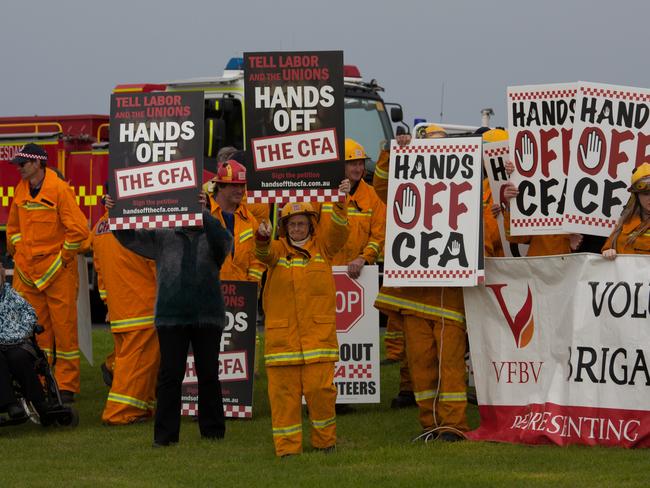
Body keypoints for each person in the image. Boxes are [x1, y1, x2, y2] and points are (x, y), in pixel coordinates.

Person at [106, 193, 232, 447]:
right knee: (169, 376)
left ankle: (214, 432)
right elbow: (129, 238)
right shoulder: (163, 232)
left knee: (208, 374)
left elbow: (225, 245)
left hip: (207, 315)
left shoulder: (213, 231)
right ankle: (164, 437)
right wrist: (115, 212)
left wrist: (204, 213)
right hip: (171, 316)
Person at [375, 125, 470, 441]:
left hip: (450, 297)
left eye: (441, 147)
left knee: (451, 366)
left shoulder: (464, 186)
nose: (436, 152)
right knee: (422, 367)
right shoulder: (405, 186)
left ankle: (453, 426)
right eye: (430, 146)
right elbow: (381, 188)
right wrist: (393, 152)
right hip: (415, 295)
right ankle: (430, 424)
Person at [254, 179, 350, 457]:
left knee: (321, 393)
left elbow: (340, 233)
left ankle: (325, 443)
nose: (297, 229)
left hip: (318, 341)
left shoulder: (324, 249)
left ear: (311, 225)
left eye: (302, 224)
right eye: (292, 224)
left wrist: (341, 204)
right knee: (283, 399)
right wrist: (262, 236)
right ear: (285, 227)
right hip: (283, 343)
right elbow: (262, 252)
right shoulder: (277, 251)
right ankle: (287, 449)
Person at [6, 143, 89, 403]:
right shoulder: (21, 190)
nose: (18, 168)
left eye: (23, 164)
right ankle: (39, 383)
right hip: (29, 275)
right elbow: (13, 231)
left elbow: (79, 232)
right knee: (33, 332)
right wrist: (20, 254)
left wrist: (62, 260)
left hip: (58, 274)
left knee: (65, 332)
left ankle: (66, 386)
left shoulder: (59, 190)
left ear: (38, 163)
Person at [92, 198, 159, 425]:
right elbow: (156, 266)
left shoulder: (100, 227)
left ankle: (141, 408)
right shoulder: (139, 226)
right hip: (143, 307)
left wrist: (109, 304)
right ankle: (118, 413)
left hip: (120, 309)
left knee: (138, 364)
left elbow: (100, 271)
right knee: (137, 366)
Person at [0, 262, 51, 424]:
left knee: (19, 357)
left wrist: (20, 332)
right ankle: (10, 404)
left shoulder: (13, 296)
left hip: (16, 343)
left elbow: (30, 314)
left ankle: (39, 402)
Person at [210, 159, 265, 284]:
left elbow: (257, 260)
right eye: (234, 185)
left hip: (239, 297)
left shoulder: (249, 220)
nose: (240, 190)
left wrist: (252, 285)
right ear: (220, 186)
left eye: (242, 185)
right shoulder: (204, 213)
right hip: (208, 295)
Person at [602, 163, 650, 258]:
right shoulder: (625, 221)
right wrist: (608, 252)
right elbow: (607, 248)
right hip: (622, 272)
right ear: (636, 196)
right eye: (646, 193)